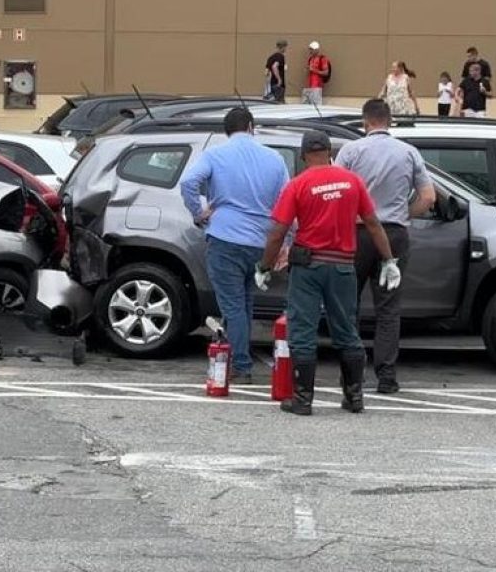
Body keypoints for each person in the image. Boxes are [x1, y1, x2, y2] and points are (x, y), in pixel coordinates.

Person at [256, 130, 401, 416]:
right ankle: (354, 396)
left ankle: (302, 399)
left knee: (302, 331)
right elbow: (372, 223)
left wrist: (265, 266)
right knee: (347, 330)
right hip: (344, 266)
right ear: (330, 152)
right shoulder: (352, 181)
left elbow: (277, 232)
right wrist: (389, 260)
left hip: (308, 268)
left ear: (303, 155)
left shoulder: (298, 184)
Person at [334, 99, 436, 394]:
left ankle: (350, 374)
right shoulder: (408, 152)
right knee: (389, 308)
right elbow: (428, 197)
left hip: (357, 234)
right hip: (393, 233)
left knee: (347, 304)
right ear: (389, 121)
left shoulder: (351, 151)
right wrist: (405, 214)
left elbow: (337, 190)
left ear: (365, 122)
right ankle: (387, 375)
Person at [180, 108, 288, 384]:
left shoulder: (216, 154)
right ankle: (238, 358)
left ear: (227, 130)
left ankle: (241, 365)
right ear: (251, 126)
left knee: (233, 306)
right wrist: (284, 242)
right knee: (245, 302)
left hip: (225, 237)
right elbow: (286, 204)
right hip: (260, 242)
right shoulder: (274, 158)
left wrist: (199, 212)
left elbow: (189, 182)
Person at [302, 41, 330, 106]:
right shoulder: (310, 59)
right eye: (310, 49)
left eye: (312, 50)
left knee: (316, 104)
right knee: (309, 104)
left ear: (316, 50)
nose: (310, 51)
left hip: (318, 86)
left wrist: (314, 70)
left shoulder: (322, 59)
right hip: (310, 86)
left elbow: (326, 72)